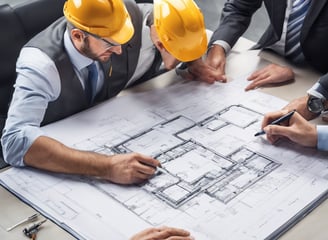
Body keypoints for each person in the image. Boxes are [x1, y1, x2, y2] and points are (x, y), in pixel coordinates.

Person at [2, 0, 205, 238]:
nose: (119, 50)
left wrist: (194, 59)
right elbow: (14, 143)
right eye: (111, 44)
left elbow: (155, 18)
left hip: (97, 125)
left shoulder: (120, 16)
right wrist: (107, 166)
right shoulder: (41, 65)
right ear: (78, 36)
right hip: (50, 158)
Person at [185, 0, 328, 92]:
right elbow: (239, 7)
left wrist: (297, 73)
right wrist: (218, 47)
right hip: (269, 57)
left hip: (318, 76)